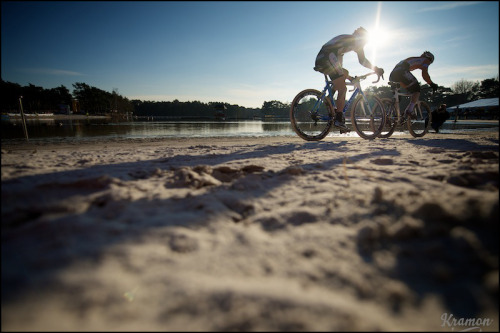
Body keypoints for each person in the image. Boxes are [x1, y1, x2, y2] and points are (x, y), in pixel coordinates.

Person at [314, 27, 385, 131]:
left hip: (326, 57)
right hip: (327, 57)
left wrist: (351, 78)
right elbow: (363, 60)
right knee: (343, 89)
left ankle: (329, 101)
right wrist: (376, 69)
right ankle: (338, 119)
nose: (365, 44)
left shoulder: (348, 42)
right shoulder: (354, 40)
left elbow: (355, 63)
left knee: (344, 74)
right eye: (366, 41)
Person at [388, 51, 438, 118]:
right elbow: (424, 74)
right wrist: (431, 84)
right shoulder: (426, 60)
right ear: (430, 59)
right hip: (402, 72)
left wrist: (409, 88)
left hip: (393, 74)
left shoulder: (414, 59)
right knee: (417, 89)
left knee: (398, 97)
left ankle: (392, 116)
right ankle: (409, 110)